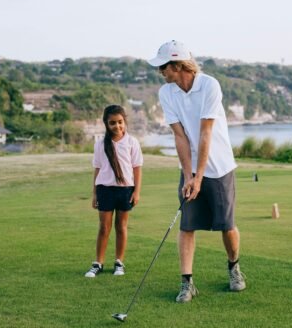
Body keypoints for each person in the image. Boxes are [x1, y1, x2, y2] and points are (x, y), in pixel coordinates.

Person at [147, 40, 246, 303]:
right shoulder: (167, 92)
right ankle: (186, 283)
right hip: (190, 168)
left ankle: (234, 267)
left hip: (220, 166)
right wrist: (189, 174)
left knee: (227, 225)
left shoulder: (209, 85)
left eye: (164, 66)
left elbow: (206, 132)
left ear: (178, 65)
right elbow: (180, 136)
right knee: (187, 225)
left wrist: (200, 176)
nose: (161, 72)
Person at [86, 105, 143, 278]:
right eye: (112, 123)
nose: (117, 126)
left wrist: (137, 192)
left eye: (120, 122)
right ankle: (98, 263)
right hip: (105, 189)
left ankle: (119, 262)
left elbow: (137, 168)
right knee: (104, 227)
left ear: (124, 121)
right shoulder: (100, 145)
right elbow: (97, 169)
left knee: (121, 227)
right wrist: (95, 193)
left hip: (125, 190)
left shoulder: (132, 142)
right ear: (106, 124)